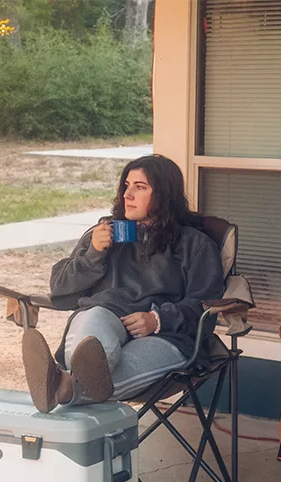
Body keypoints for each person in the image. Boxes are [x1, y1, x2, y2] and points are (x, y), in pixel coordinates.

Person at [22, 154, 224, 413]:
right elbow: (59, 287)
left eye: (140, 187)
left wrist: (158, 319)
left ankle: (60, 386)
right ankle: (68, 387)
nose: (127, 195)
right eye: (126, 186)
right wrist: (93, 254)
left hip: (165, 335)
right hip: (104, 314)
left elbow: (204, 305)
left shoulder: (194, 244)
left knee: (101, 376)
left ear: (164, 194)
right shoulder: (106, 233)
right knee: (93, 331)